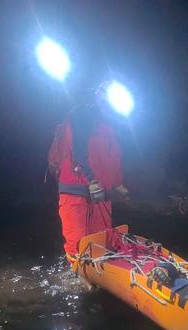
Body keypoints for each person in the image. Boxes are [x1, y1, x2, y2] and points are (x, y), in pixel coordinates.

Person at [47, 83, 129, 263]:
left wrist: (117, 183)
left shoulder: (111, 124)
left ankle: (104, 277)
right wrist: (92, 181)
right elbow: (79, 151)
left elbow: (113, 156)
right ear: (101, 99)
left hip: (101, 192)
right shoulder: (82, 116)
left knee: (102, 242)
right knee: (78, 244)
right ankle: (83, 281)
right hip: (76, 189)